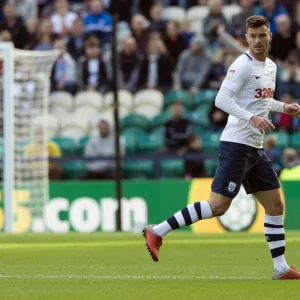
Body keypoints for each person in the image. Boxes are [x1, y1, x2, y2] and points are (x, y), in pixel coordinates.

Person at [143, 15, 300, 280]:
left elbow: (261, 99)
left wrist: (283, 107)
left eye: (262, 35)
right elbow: (221, 98)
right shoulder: (242, 65)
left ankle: (281, 267)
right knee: (217, 206)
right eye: (253, 36)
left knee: (275, 206)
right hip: (236, 145)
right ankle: (157, 231)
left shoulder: (271, 67)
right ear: (246, 38)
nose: (258, 40)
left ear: (269, 35)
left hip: (255, 148)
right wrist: (251, 118)